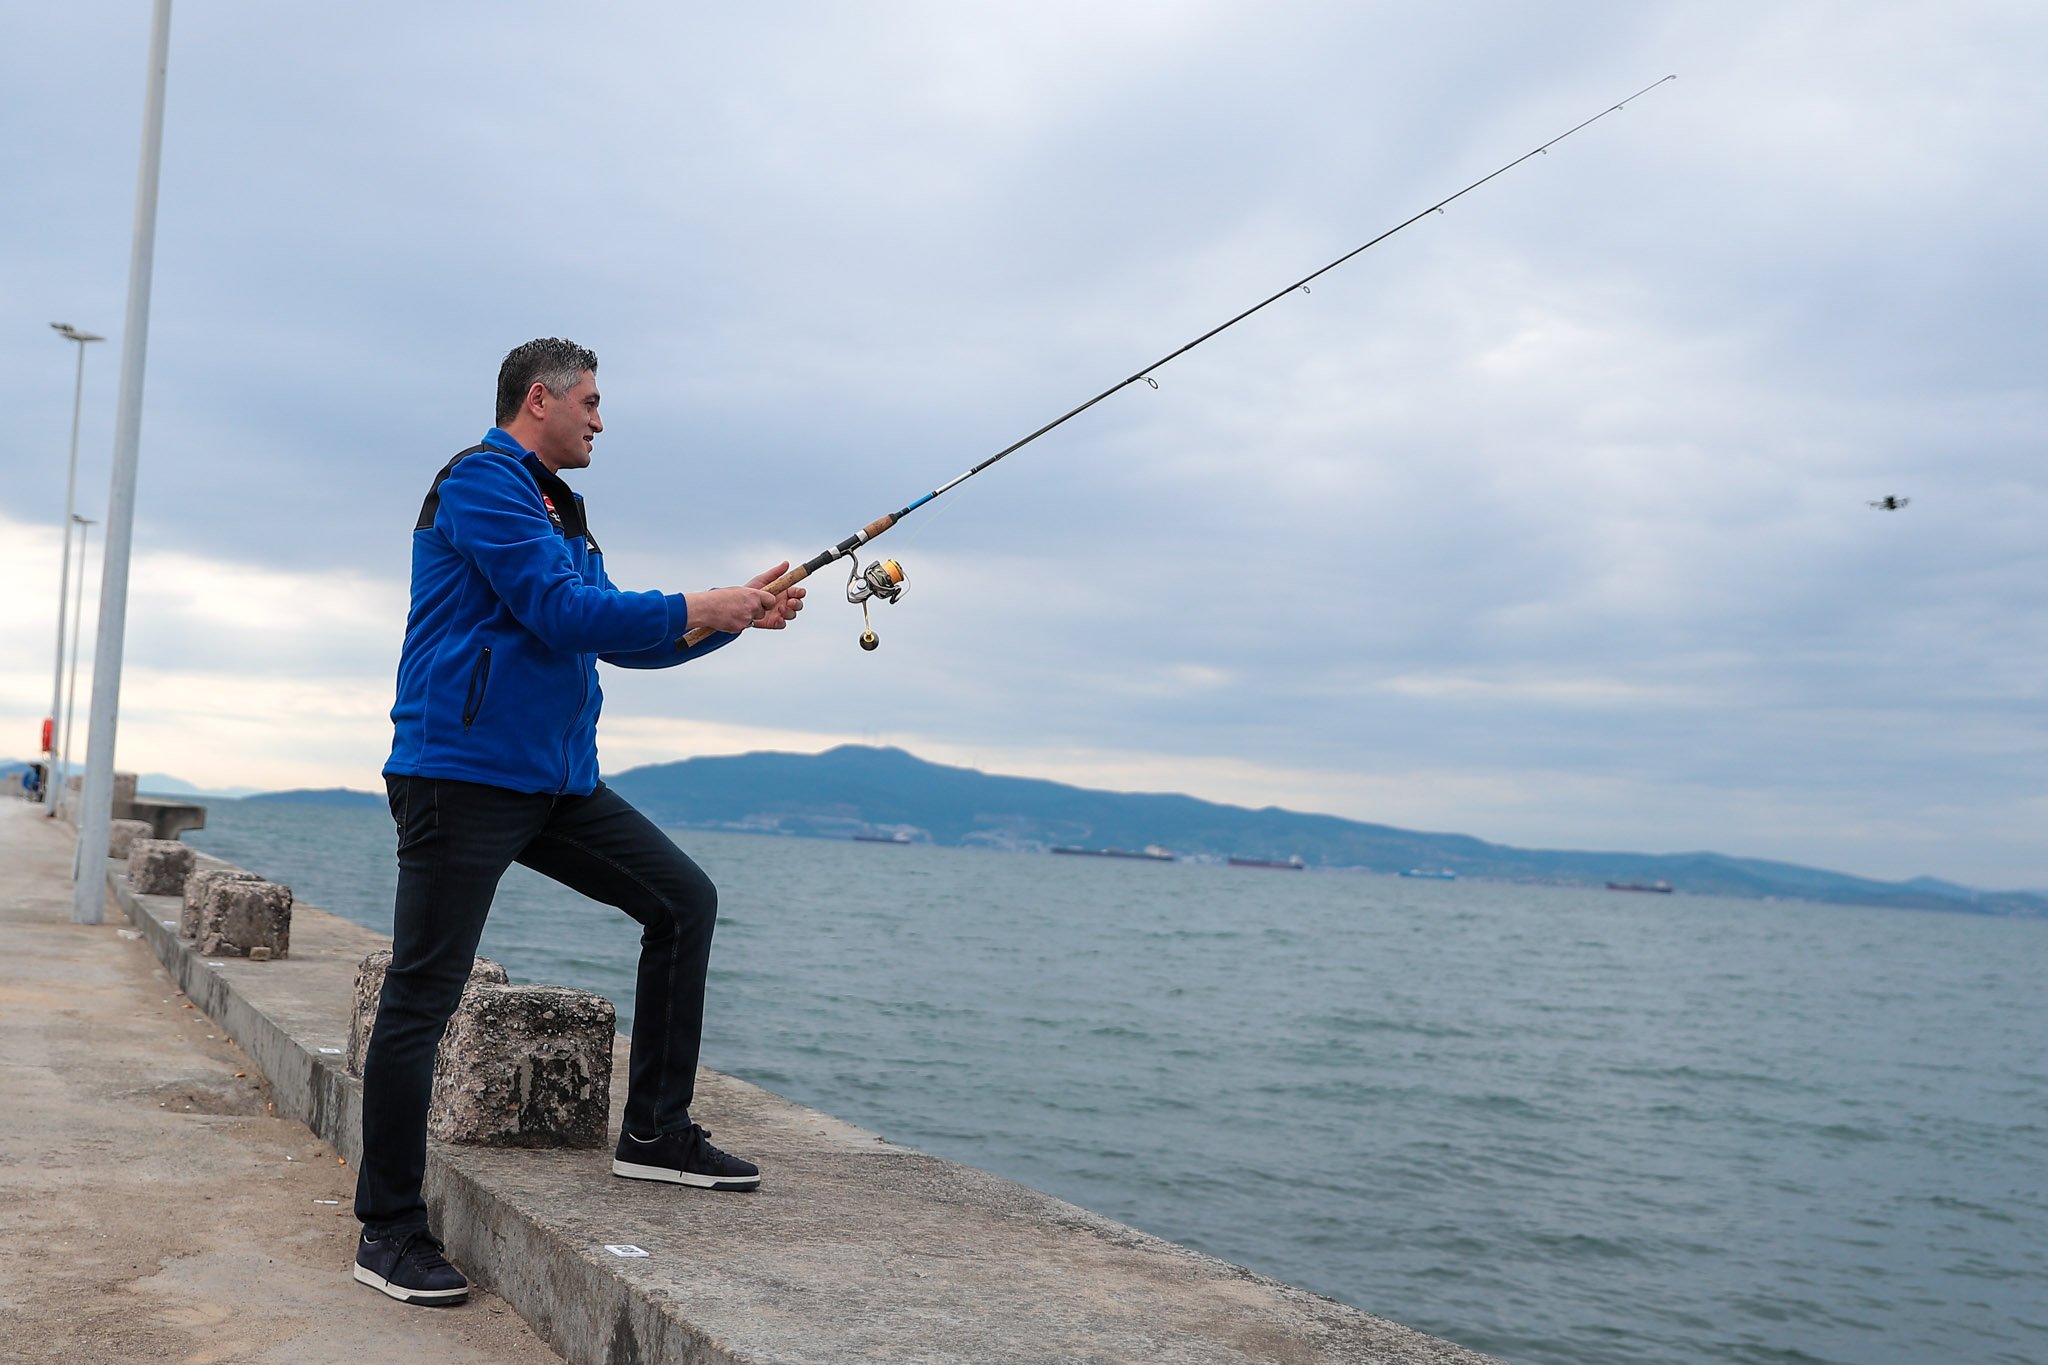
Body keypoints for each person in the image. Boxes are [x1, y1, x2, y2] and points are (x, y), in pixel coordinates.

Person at [353, 338, 804, 1306]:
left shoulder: (559, 507)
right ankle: (387, 1228)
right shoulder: (482, 483)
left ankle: (655, 1132)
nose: (601, 420)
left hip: (554, 782)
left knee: (682, 901)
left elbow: (606, 631)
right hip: (459, 775)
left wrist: (727, 621)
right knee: (422, 997)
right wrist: (701, 599)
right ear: (539, 399)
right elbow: (559, 612)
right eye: (590, 402)